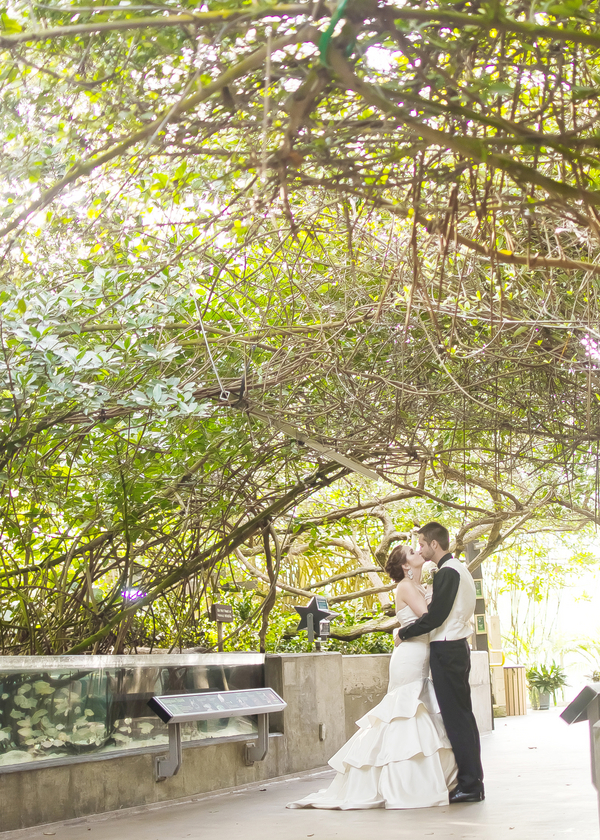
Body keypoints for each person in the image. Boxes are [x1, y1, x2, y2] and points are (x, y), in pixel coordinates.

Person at [287, 543, 457, 810]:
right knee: (403, 711)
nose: (419, 554)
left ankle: (422, 775)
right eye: (412, 553)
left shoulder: (419, 586)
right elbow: (428, 616)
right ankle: (400, 778)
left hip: (421, 652)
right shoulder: (405, 586)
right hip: (410, 655)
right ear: (404, 566)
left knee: (417, 708)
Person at [397, 522, 484, 803]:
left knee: (457, 719)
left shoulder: (447, 572)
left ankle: (470, 785)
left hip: (447, 650)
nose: (420, 549)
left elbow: (436, 617)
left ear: (435, 544)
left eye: (421, 544)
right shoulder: (459, 569)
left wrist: (403, 632)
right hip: (456, 647)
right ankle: (473, 782)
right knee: (463, 717)